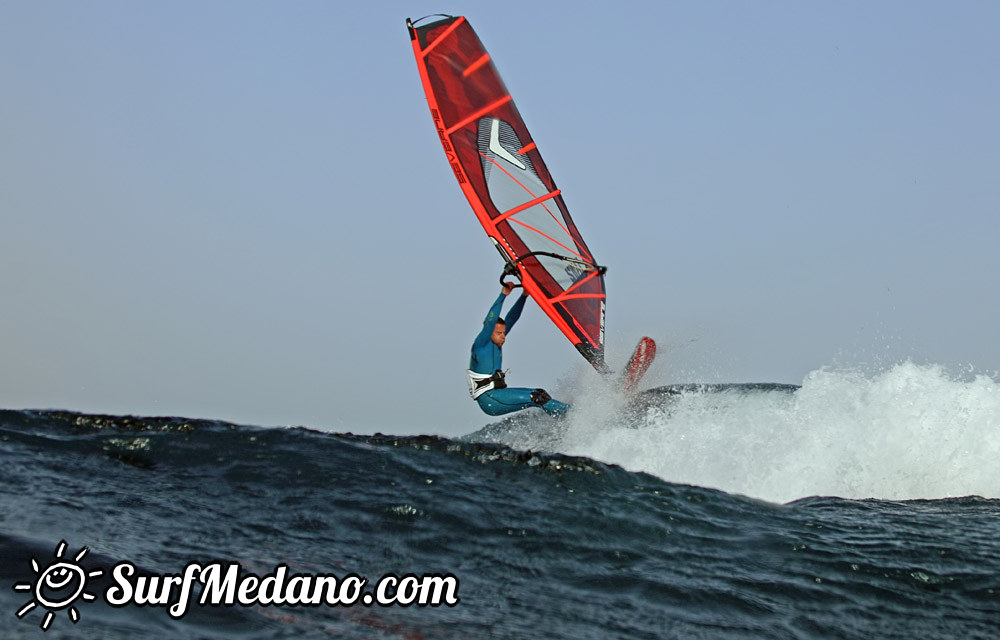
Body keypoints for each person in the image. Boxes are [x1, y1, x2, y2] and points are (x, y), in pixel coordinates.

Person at [467, 281, 571, 417]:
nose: (503, 336)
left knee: (540, 394)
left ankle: (565, 420)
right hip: (489, 399)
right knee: (536, 397)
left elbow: (512, 318)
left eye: (504, 333)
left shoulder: (496, 343)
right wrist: (503, 295)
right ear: (489, 331)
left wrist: (524, 296)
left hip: (498, 394)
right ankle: (573, 414)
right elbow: (490, 321)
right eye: (499, 333)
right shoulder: (480, 345)